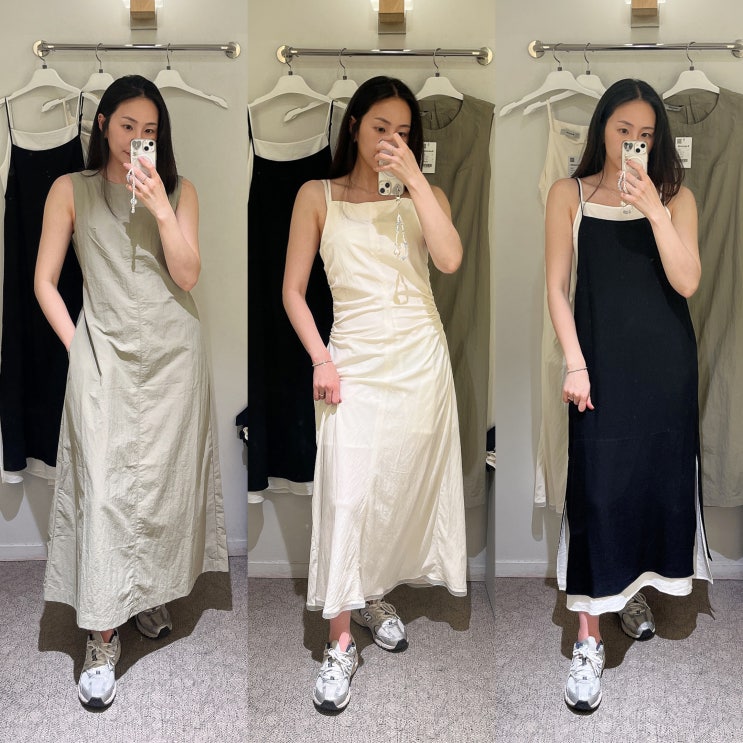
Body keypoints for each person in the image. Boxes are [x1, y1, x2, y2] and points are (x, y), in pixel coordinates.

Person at [34, 75, 228, 709]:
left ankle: (143, 594)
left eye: (150, 131)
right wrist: (78, 348)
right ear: (102, 125)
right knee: (105, 492)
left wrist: (164, 208)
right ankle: (100, 633)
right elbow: (44, 282)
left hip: (174, 357)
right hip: (103, 356)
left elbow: (188, 274)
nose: (137, 140)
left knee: (162, 490)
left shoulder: (181, 190)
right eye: (127, 127)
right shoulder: (70, 190)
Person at [283, 76, 467, 711]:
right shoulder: (316, 194)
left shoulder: (426, 194)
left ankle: (371, 594)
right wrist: (321, 358)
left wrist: (415, 180)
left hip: (420, 358)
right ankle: (339, 641)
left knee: (398, 487)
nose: (391, 139)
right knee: (348, 494)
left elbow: (450, 260)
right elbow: (292, 292)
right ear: (354, 125)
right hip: (352, 361)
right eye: (381, 127)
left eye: (404, 132)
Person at [545, 78, 712, 712]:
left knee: (647, 486)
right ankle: (587, 638)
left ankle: (629, 593)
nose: (634, 143)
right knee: (596, 491)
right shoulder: (569, 193)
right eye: (623, 131)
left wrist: (654, 210)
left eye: (645, 134)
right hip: (598, 370)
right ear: (602, 130)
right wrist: (575, 363)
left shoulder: (677, 198)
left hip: (665, 371)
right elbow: (557, 288)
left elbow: (687, 281)